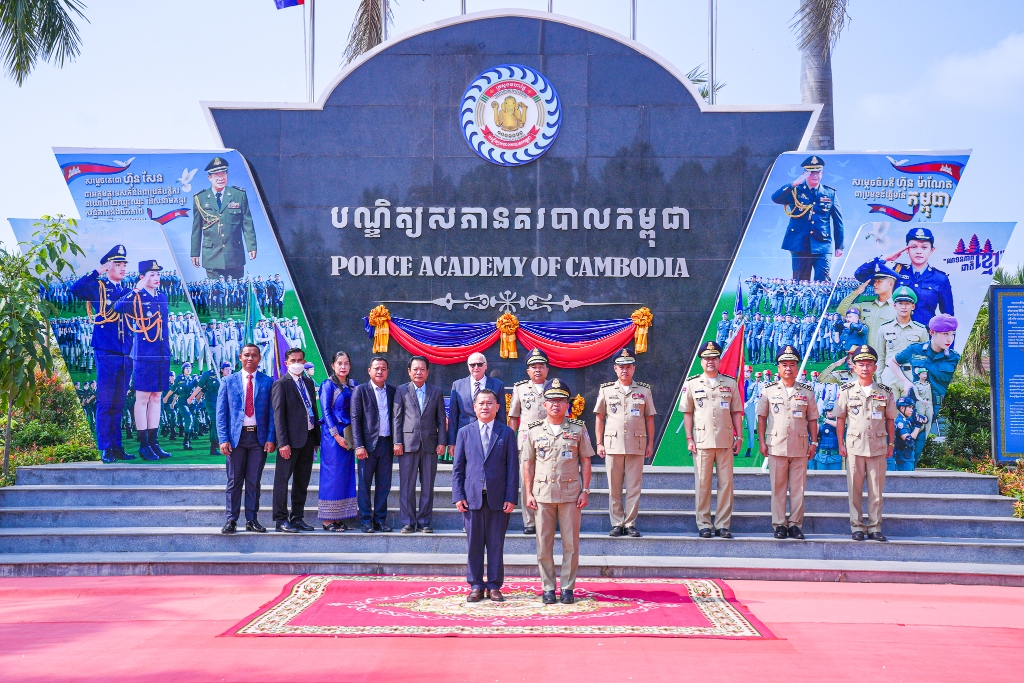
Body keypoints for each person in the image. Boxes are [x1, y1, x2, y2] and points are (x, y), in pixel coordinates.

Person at [523, 379, 594, 605]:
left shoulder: (578, 428)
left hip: (570, 495)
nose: (556, 404)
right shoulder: (533, 430)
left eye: (561, 400)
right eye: (551, 400)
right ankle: (548, 587)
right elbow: (528, 464)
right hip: (542, 495)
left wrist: (586, 490)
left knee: (571, 545)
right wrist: (528, 493)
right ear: (544, 404)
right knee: (543, 544)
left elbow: (586, 461)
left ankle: (567, 587)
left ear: (567, 405)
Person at [69, 245, 134, 463]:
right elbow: (75, 289)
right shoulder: (99, 288)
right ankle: (105, 447)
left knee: (119, 402)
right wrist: (98, 270)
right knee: (105, 402)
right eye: (118, 264)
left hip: (125, 350)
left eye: (124, 265)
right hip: (106, 349)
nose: (123, 268)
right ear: (108, 267)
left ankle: (117, 446)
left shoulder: (127, 291)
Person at [452, 388, 518, 603]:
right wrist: (458, 495)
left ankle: (494, 586)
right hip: (472, 498)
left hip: (498, 498)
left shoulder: (506, 433)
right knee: (474, 544)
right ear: (474, 407)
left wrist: (511, 497)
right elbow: (458, 468)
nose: (485, 407)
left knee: (496, 543)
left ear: (497, 407)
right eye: (481, 403)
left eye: (490, 403)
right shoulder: (464, 432)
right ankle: (476, 585)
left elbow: (512, 468)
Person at [679, 341, 744, 539]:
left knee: (726, 484)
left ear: (719, 360)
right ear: (701, 362)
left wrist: (739, 436)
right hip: (702, 441)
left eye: (714, 358)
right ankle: (704, 524)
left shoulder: (730, 383)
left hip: (725, 440)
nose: (710, 361)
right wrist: (689, 438)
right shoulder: (692, 384)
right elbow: (687, 413)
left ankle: (723, 524)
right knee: (703, 484)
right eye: (706, 358)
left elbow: (736, 412)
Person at [833, 344, 897, 542]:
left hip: (878, 447)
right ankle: (857, 527)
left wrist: (891, 444)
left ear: (875, 368)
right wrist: (840, 444)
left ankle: (875, 527)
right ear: (854, 367)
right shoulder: (846, 391)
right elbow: (840, 419)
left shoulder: (884, 392)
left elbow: (890, 420)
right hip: (854, 447)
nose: (865, 368)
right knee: (854, 490)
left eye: (869, 364)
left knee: (876, 491)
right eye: (861, 364)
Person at [756, 345, 819, 540]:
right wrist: (762, 442)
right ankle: (779, 525)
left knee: (799, 489)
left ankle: (795, 525)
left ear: (797, 367)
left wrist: (814, 443)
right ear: (778, 367)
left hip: (800, 446)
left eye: (792, 364)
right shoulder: (769, 391)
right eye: (784, 364)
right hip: (776, 445)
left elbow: (812, 419)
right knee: (778, 488)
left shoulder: (807, 391)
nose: (788, 368)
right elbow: (761, 417)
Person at [114, 259, 172, 461]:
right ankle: (143, 444)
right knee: (143, 398)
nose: (156, 278)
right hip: (144, 353)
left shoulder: (162, 297)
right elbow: (118, 307)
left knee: (156, 396)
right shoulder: (137, 296)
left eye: (158, 274)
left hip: (162, 352)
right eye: (151, 275)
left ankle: (154, 442)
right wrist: (136, 289)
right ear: (142, 277)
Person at [594, 348, 656, 538]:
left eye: (628, 366)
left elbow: (649, 418)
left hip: (636, 445)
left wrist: (650, 443)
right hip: (613, 445)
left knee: (633, 487)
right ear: (615, 369)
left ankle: (630, 523)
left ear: (634, 368)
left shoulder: (644, 390)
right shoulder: (606, 390)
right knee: (614, 487)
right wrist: (599, 443)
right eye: (621, 367)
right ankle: (616, 523)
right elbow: (599, 417)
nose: (624, 370)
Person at [217, 343, 276, 533]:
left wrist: (271, 438)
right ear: (240, 357)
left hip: (258, 439)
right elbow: (221, 413)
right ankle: (231, 520)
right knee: (234, 481)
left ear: (259, 358)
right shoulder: (228, 381)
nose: (250, 358)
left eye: (254, 355)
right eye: (246, 355)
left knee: (253, 481)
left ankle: (252, 519)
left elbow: (272, 413)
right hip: (236, 439)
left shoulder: (268, 382)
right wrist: (223, 439)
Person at [393, 356, 447, 533]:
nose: (418, 372)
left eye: (422, 369)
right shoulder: (402, 390)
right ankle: (408, 521)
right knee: (406, 485)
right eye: (415, 369)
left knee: (427, 485)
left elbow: (441, 419)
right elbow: (397, 418)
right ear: (409, 371)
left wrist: (442, 442)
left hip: (430, 444)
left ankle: (424, 521)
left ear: (427, 372)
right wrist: (397, 441)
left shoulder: (436, 391)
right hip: (407, 444)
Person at [271, 347, 321, 533]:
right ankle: (281, 520)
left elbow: (313, 410)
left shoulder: (308, 382)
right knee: (282, 480)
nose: (297, 363)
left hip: (308, 438)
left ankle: (297, 517)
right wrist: (282, 443)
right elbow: (278, 416)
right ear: (286, 363)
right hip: (290, 442)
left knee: (302, 481)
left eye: (300, 360)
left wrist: (316, 439)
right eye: (293, 360)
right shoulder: (281, 384)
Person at [770, 155, 844, 281]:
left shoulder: (830, 193)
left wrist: (839, 245)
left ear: (822, 173)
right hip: (799, 244)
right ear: (804, 173)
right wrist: (794, 183)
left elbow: (838, 221)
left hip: (822, 244)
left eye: (818, 172)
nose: (815, 175)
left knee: (823, 282)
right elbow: (776, 198)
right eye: (811, 172)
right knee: (801, 282)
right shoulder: (796, 190)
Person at [865, 226, 954, 326]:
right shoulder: (896, 272)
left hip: (925, 335)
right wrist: (884, 259)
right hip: (895, 333)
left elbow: (948, 319)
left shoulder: (940, 279)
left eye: (924, 247)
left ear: (932, 250)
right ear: (906, 249)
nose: (919, 251)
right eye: (913, 247)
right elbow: (861, 275)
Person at [350, 357, 397, 533]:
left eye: (383, 368)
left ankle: (380, 520)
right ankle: (365, 520)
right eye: (376, 368)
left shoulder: (392, 391)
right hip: (367, 446)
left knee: (384, 484)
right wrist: (359, 445)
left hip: (386, 443)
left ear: (387, 372)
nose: (379, 371)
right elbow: (355, 419)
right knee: (364, 484)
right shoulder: (360, 390)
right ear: (369, 370)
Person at [190, 156, 257, 280]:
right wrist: (195, 252)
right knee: (215, 290)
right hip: (211, 255)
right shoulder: (200, 198)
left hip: (234, 253)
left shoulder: (238, 195)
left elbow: (247, 223)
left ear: (227, 175)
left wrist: (251, 246)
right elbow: (196, 229)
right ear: (209, 178)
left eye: (223, 174)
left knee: (237, 289)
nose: (220, 178)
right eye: (216, 175)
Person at [507, 348, 550, 535]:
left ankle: (545, 519)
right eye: (534, 366)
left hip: (549, 442)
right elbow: (514, 417)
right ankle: (530, 521)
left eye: (541, 366)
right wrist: (510, 441)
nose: (537, 369)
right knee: (527, 482)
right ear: (528, 371)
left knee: (548, 480)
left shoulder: (554, 387)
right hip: (525, 443)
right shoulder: (520, 388)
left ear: (547, 369)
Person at [317, 351, 358, 532]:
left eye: (346, 363)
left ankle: (339, 517)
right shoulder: (328, 385)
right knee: (332, 476)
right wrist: (336, 436)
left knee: (345, 476)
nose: (343, 366)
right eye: (339, 363)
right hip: (332, 437)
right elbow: (326, 412)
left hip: (348, 435)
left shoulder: (352, 384)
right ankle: (327, 520)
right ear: (333, 365)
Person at [892, 314, 961, 417]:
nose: (950, 339)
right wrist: (906, 382)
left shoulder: (954, 358)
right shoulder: (915, 350)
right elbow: (892, 362)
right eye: (945, 334)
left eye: (952, 334)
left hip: (943, 410)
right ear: (932, 332)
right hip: (919, 407)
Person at [447, 353, 506, 452]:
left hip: (490, 434)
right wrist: (452, 442)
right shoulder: (458, 385)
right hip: (465, 435)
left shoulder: (497, 385)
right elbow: (453, 416)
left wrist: (502, 439)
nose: (476, 367)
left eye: (479, 364)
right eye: (472, 365)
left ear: (486, 366)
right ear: (468, 366)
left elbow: (501, 414)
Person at [876, 286, 929, 397]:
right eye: (900, 303)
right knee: (889, 408)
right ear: (895, 305)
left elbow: (925, 358)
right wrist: (879, 380)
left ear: (913, 306)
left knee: (910, 407)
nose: (904, 307)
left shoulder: (921, 330)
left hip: (911, 375)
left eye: (907, 304)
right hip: (889, 375)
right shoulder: (884, 328)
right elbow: (880, 356)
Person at [837, 259, 899, 348]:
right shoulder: (864, 306)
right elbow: (841, 310)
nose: (875, 284)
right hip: (865, 354)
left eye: (879, 281)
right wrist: (856, 292)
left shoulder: (899, 308)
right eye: (874, 281)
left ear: (890, 285)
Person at [810, 401, 842, 470]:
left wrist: (825, 420)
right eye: (829, 411)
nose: (831, 412)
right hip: (822, 457)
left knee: (836, 477)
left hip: (835, 457)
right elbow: (814, 435)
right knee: (821, 477)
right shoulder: (821, 424)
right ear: (826, 412)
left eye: (833, 410)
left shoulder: (839, 423)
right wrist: (817, 422)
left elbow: (839, 425)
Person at [893, 396, 921, 471]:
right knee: (906, 478)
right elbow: (909, 440)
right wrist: (918, 426)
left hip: (909, 456)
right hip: (903, 457)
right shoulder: (900, 422)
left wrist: (921, 419)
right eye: (910, 407)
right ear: (902, 408)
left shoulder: (907, 420)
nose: (912, 410)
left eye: (912, 408)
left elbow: (925, 420)